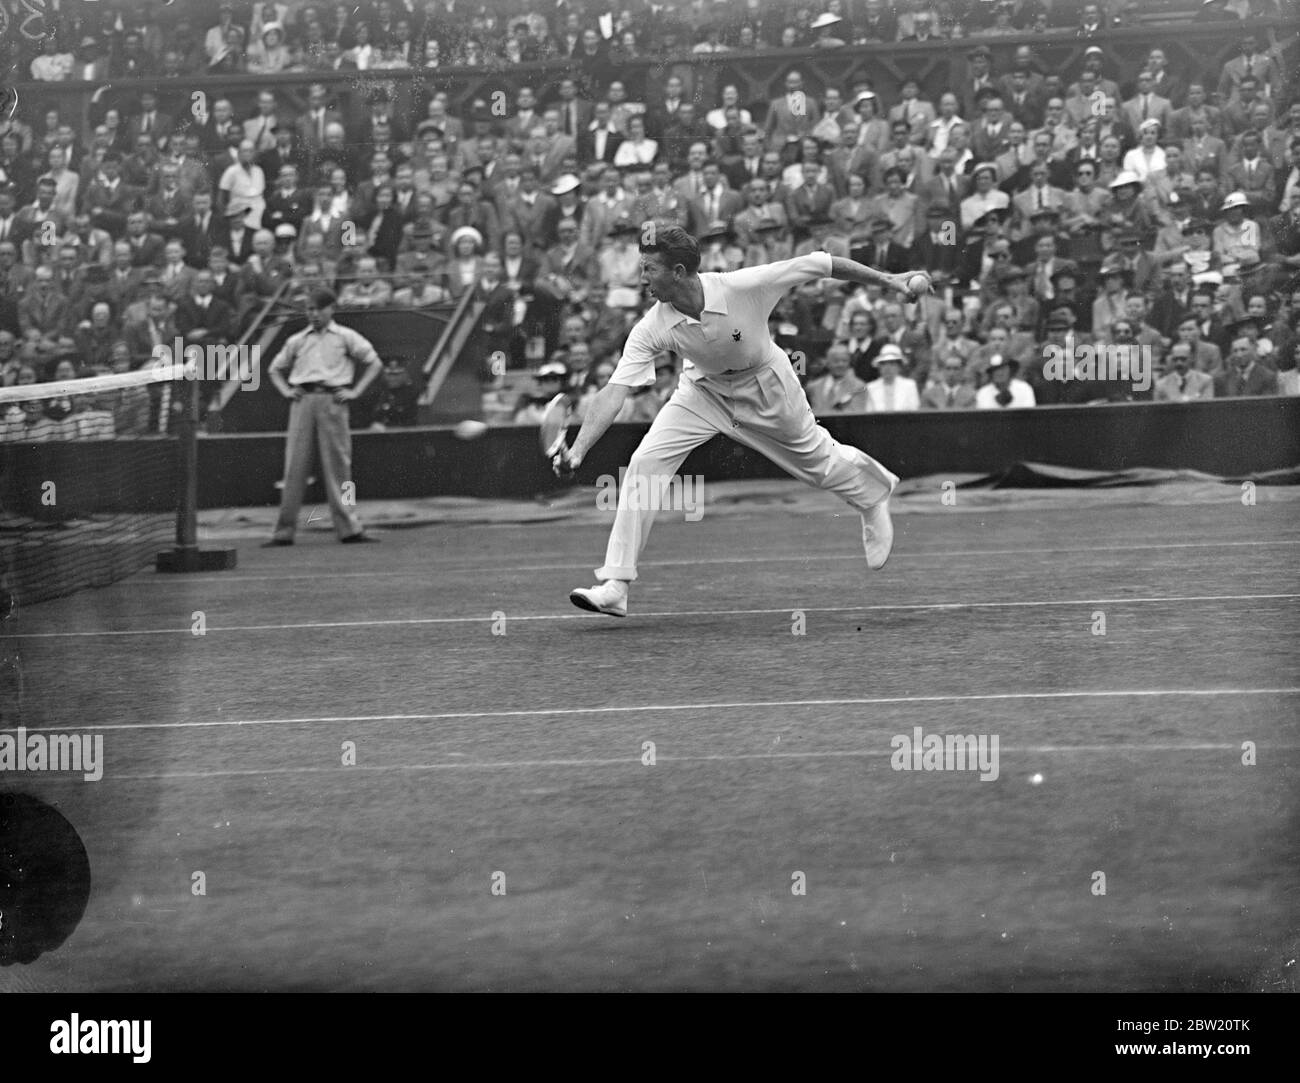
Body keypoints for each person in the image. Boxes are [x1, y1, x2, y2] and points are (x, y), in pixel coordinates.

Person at [553, 225, 927, 618]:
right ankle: (616, 585)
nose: (641, 278)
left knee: (818, 464)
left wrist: (890, 280)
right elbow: (615, 390)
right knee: (645, 463)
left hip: (766, 386)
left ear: (678, 272)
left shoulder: (743, 286)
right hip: (702, 393)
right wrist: (578, 450)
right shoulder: (652, 326)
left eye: (649, 269)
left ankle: (872, 495)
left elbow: (821, 263)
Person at [263, 288, 383, 546]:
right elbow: (274, 368)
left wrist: (356, 391)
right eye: (309, 309)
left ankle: (349, 528)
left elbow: (374, 362)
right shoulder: (298, 339)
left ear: (331, 309)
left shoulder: (345, 336)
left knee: (339, 464)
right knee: (293, 466)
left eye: (318, 309)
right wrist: (286, 391)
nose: (313, 314)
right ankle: (283, 531)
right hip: (303, 401)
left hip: (333, 400)